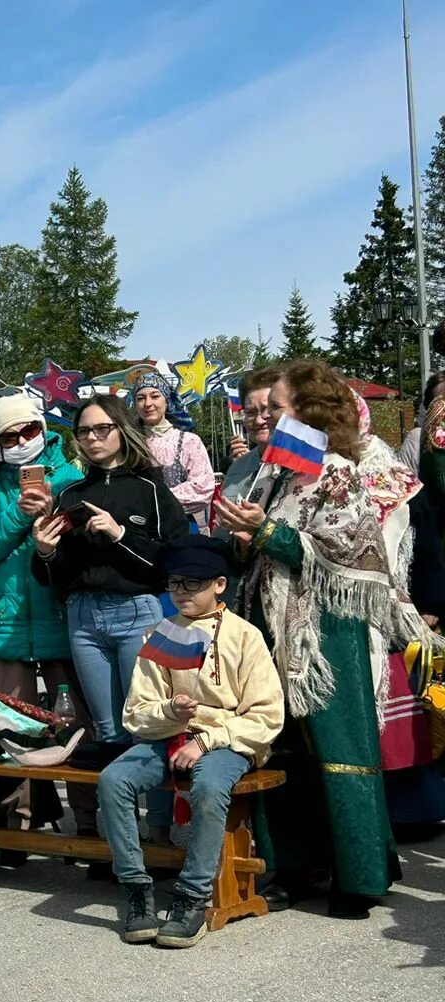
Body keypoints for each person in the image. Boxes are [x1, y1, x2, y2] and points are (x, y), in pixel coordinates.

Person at [216, 360, 425, 919]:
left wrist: (265, 531)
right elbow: (270, 546)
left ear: (306, 411)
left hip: (326, 635)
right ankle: (295, 866)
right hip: (275, 628)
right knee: (282, 748)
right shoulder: (284, 473)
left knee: (340, 753)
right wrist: (246, 537)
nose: (267, 416)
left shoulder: (338, 470)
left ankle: (359, 875)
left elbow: (349, 557)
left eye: (277, 406)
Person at [100, 536, 284, 947]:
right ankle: (135, 888)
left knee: (210, 786)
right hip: (168, 737)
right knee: (113, 780)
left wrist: (206, 741)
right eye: (174, 583)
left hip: (228, 740)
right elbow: (135, 713)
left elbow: (267, 716)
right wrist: (170, 711)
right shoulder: (162, 635)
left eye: (192, 584)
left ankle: (192, 897)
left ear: (219, 584)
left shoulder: (246, 636)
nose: (180, 592)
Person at [0, 391, 94, 834]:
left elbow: (84, 551)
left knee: (75, 725)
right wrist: (19, 517)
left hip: (62, 618)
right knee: (11, 728)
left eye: (29, 430)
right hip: (5, 622)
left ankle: (90, 824)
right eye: (10, 435)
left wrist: (54, 513)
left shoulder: (71, 475)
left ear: (43, 429)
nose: (22, 439)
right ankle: (17, 828)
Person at [32, 400, 186, 755]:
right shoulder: (71, 494)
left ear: (121, 429)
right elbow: (54, 576)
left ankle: (159, 814)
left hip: (136, 612)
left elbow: (173, 559)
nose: (92, 437)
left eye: (102, 428)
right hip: (83, 617)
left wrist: (120, 535)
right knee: (107, 730)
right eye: (84, 431)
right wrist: (44, 551)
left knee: (148, 725)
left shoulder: (149, 488)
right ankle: (117, 812)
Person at [129, 372, 216, 530]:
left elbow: (203, 487)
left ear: (167, 400)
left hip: (180, 526)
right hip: (138, 529)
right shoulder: (129, 444)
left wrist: (154, 500)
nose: (148, 403)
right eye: (140, 398)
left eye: (155, 396)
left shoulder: (188, 441)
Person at [221, 366, 285, 502]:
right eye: (250, 412)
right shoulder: (237, 469)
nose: (259, 420)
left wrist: (263, 523)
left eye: (267, 409)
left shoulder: (317, 467)